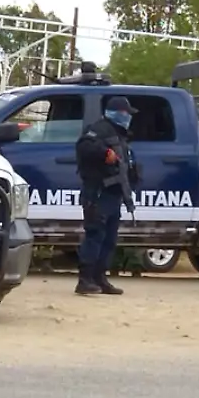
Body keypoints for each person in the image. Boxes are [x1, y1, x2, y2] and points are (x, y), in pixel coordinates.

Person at [74, 96, 139, 295]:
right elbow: (84, 147)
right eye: (126, 113)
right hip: (98, 193)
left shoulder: (119, 134)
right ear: (118, 113)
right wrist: (104, 153)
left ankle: (100, 278)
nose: (128, 117)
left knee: (109, 239)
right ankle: (85, 280)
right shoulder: (99, 129)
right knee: (95, 236)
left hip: (113, 195)